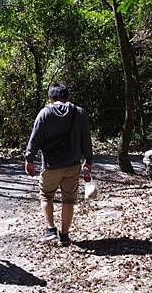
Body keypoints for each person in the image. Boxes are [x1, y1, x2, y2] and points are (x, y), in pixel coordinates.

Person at [24, 82, 93, 247]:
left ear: (52, 96)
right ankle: (64, 235)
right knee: (69, 200)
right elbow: (86, 139)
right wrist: (88, 161)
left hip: (50, 165)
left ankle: (50, 229)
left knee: (46, 196)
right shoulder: (79, 113)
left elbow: (35, 137)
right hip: (73, 164)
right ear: (66, 95)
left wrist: (29, 159)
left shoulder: (45, 113)